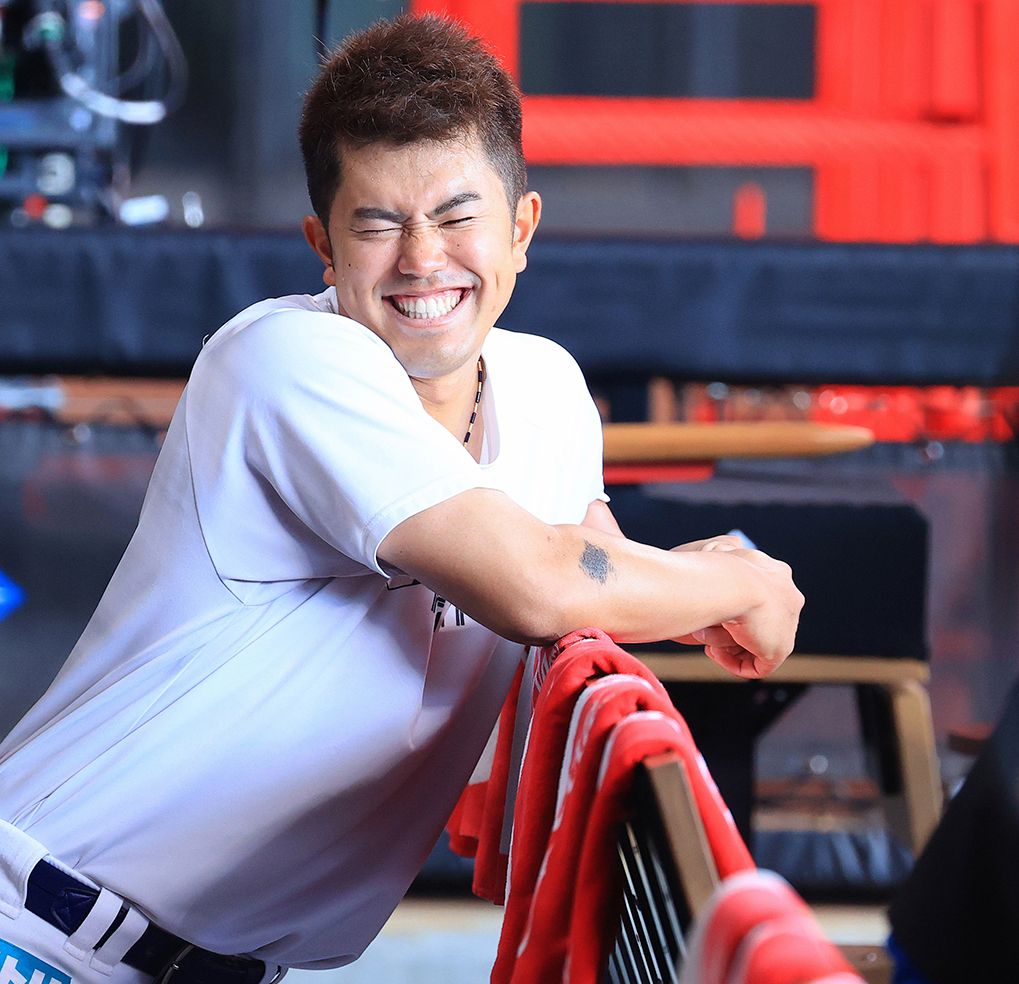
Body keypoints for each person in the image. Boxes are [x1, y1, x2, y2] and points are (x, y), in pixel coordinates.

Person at [0, 14, 802, 984]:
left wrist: (681, 577)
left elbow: (592, 577)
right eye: (377, 224)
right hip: (35, 934)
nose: (422, 259)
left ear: (521, 229)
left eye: (457, 217)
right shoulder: (284, 360)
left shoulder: (547, 390)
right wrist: (742, 584)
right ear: (324, 246)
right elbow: (543, 584)